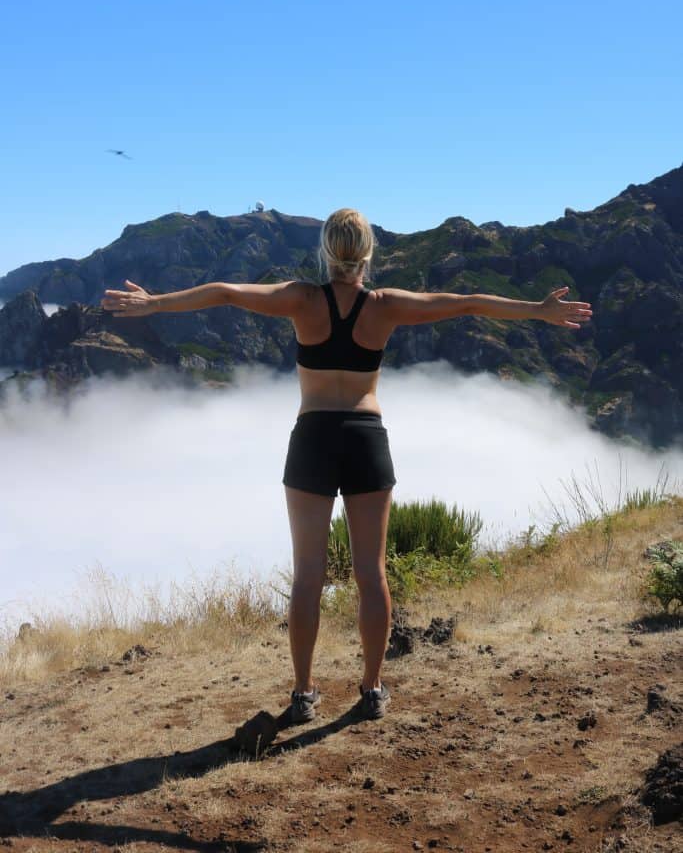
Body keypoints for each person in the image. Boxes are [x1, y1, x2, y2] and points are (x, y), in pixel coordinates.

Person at [101, 208, 593, 721]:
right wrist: (538, 310)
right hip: (364, 438)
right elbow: (466, 303)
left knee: (307, 576)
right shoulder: (385, 306)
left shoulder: (301, 299)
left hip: (312, 438)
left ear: (325, 251)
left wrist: (154, 303)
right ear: (368, 253)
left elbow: (224, 291)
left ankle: (303, 693)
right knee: (370, 573)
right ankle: (372, 688)